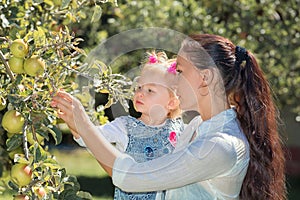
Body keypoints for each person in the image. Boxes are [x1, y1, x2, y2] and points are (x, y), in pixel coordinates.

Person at [51, 34, 286, 200]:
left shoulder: (219, 146)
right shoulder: (195, 127)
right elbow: (133, 176)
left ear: (205, 78)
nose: (173, 81)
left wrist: (83, 123)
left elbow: (130, 177)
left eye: (180, 72)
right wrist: (80, 127)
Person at [63, 51, 185, 200]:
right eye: (139, 87)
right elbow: (91, 138)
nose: (140, 93)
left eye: (150, 90)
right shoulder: (125, 127)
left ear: (172, 103)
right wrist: (74, 123)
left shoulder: (181, 131)